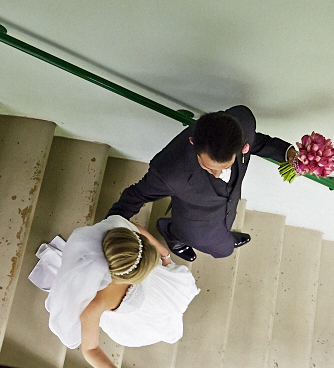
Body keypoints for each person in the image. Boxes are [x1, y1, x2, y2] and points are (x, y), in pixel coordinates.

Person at [27, 214, 200, 368]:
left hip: (155, 290)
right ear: (128, 277)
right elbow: (91, 349)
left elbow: (136, 229)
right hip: (139, 316)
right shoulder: (95, 305)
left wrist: (163, 253)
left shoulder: (120, 239)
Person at [107, 105, 297, 261]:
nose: (217, 174)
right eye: (208, 167)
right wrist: (108, 228)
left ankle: (222, 234)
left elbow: (256, 142)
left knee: (224, 236)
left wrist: (286, 152)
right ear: (193, 142)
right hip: (194, 224)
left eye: (224, 166)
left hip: (224, 209)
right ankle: (172, 233)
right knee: (224, 250)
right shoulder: (170, 171)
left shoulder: (242, 120)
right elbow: (136, 195)